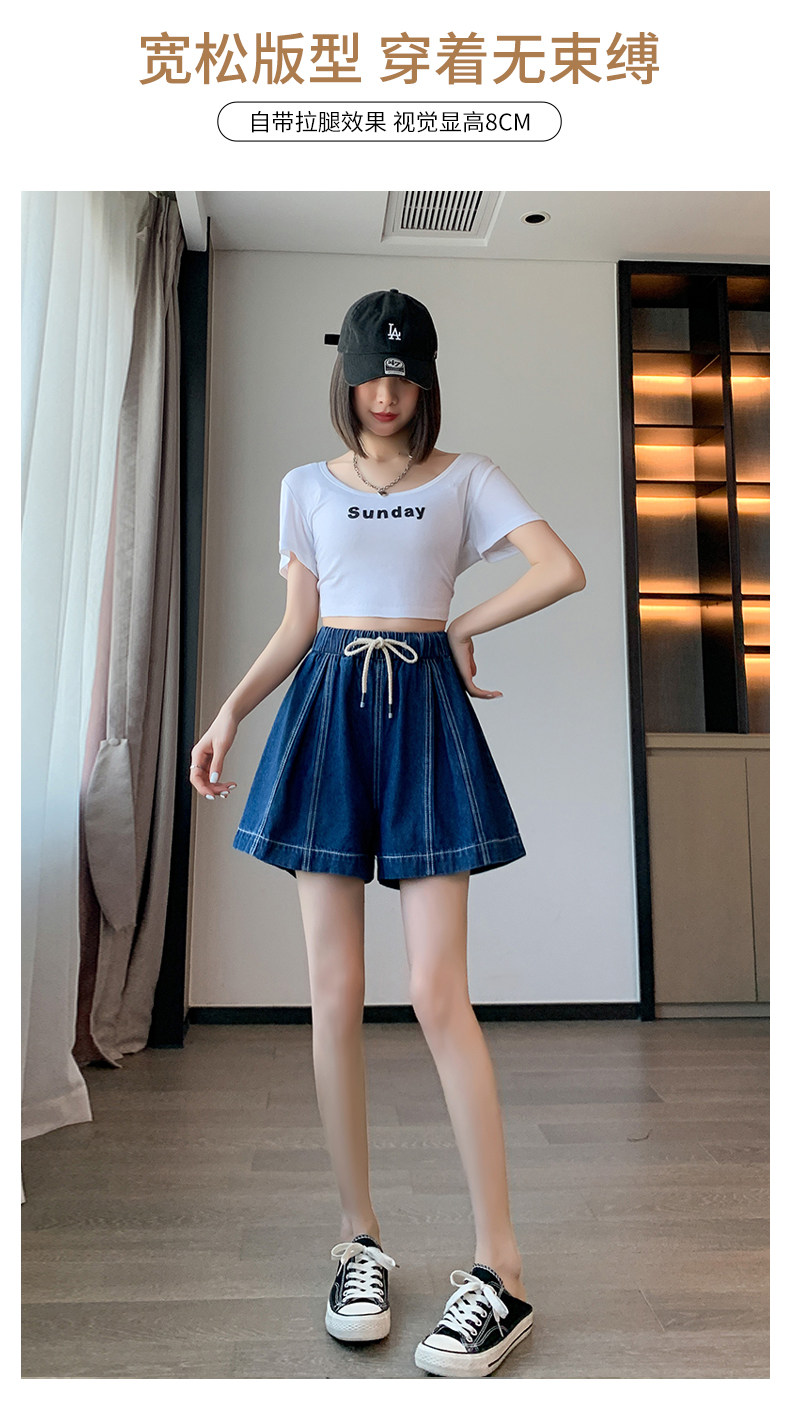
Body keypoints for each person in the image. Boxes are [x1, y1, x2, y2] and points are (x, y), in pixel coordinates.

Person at [189, 288, 586, 1378]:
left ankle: (500, 1269)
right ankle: (358, 1242)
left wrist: (461, 623)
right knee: (332, 990)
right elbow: (299, 625)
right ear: (347, 377)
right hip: (325, 710)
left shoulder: (467, 477)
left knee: (436, 990)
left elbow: (560, 566)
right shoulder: (304, 487)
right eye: (369, 375)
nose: (384, 394)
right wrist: (229, 712)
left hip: (424, 714)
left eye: (402, 377)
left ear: (426, 381)